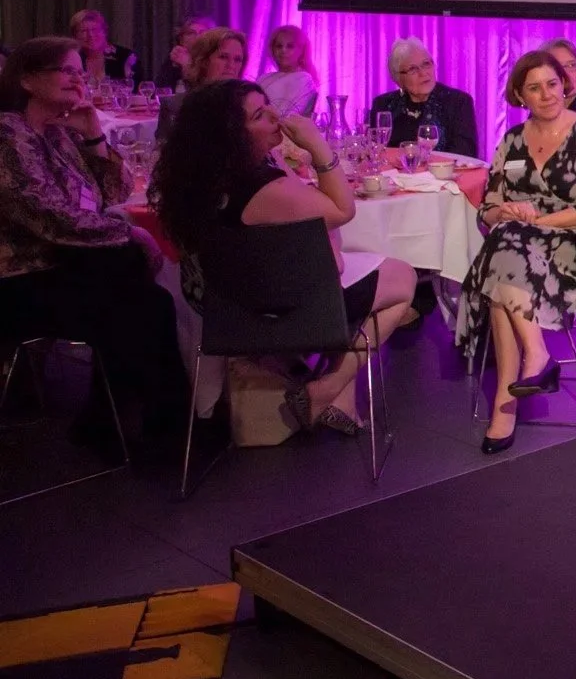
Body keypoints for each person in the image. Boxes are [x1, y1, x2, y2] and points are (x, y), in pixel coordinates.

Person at [151, 81, 416, 434]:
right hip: (276, 312)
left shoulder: (208, 178)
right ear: (231, 134)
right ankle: (328, 388)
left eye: (270, 106)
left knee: (360, 273)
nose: (276, 117)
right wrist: (319, 146)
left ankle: (340, 401)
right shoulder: (260, 187)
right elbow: (341, 209)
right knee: (402, 278)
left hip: (224, 304)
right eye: (260, 115)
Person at [0, 37, 188, 454]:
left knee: (147, 301)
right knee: (132, 290)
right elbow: (50, 218)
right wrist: (131, 234)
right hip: (20, 279)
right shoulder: (8, 136)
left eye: (79, 72)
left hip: (67, 267)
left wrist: (92, 135)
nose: (77, 80)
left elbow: (114, 194)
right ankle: (149, 425)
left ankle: (138, 424)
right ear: (28, 80)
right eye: (66, 70)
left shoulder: (58, 134)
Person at [457, 50, 576, 454]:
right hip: (516, 245)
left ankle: (505, 406)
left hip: (573, 247)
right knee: (506, 253)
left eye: (552, 83)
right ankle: (535, 357)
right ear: (519, 96)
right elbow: (488, 208)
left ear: (565, 85)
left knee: (501, 267)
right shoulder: (511, 141)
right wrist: (505, 211)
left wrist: (535, 223)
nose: (547, 94)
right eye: (534, 88)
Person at [369, 38, 478, 159]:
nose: (423, 73)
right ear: (399, 78)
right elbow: (375, 153)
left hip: (442, 176)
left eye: (426, 64)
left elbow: (465, 154)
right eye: (413, 69)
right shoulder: (383, 105)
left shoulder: (459, 102)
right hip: (394, 176)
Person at [156, 27, 250, 139]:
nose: (231, 65)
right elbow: (163, 152)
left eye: (238, 60)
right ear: (204, 61)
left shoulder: (247, 105)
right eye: (223, 57)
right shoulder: (175, 106)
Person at [257, 24, 321, 118]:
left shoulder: (304, 79)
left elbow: (290, 117)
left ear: (301, 50)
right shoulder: (263, 78)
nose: (283, 50)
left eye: (290, 46)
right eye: (279, 46)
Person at [69, 9, 138, 85]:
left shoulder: (125, 57)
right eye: (83, 31)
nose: (90, 35)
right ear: (74, 36)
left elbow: (140, 90)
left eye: (95, 30)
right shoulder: (70, 59)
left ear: (104, 32)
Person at [153, 14, 217, 90]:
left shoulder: (215, 58)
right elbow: (161, 89)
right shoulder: (176, 57)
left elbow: (204, 91)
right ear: (181, 39)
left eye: (202, 32)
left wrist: (187, 66)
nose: (197, 37)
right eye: (191, 33)